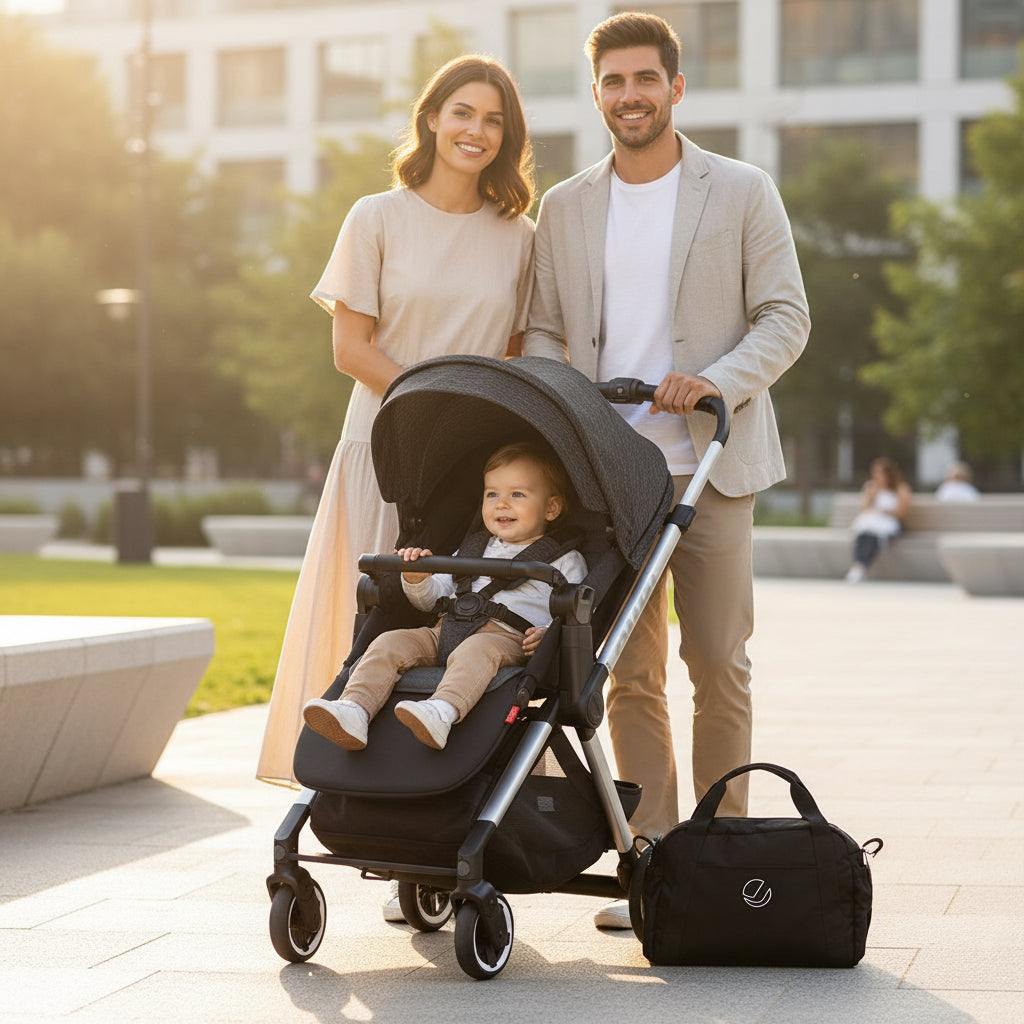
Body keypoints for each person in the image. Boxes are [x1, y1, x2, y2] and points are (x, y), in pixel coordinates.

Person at [523, 12, 810, 928]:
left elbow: (785, 317)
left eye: (645, 80)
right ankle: (649, 862)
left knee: (718, 663)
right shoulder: (563, 207)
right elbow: (537, 330)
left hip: (712, 468)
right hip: (615, 480)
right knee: (630, 674)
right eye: (613, 82)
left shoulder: (742, 190)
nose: (629, 96)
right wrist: (562, 406)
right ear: (597, 91)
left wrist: (714, 383)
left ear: (676, 88)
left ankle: (722, 860)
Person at [257, 55, 536, 917]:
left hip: (479, 469)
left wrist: (479, 430)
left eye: (492, 119)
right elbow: (352, 348)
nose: (475, 131)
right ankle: (369, 814)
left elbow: (524, 351)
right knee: (381, 623)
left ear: (506, 137)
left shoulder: (520, 236)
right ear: (431, 119)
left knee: (466, 634)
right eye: (461, 112)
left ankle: (440, 825)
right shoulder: (376, 216)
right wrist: (430, 405)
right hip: (387, 445)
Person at [302, 442, 586, 751]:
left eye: (517, 494)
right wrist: (416, 578)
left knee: (475, 651)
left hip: (507, 639)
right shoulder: (471, 550)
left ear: (551, 508)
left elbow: (574, 612)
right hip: (444, 631)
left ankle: (442, 711)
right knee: (389, 642)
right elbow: (430, 600)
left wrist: (549, 636)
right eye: (492, 494)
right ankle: (354, 709)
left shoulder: (564, 560)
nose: (501, 503)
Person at [845, 457, 912, 583]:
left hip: (888, 523)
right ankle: (859, 565)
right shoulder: (872, 487)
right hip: (871, 521)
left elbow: (901, 512)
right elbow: (865, 507)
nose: (878, 476)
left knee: (873, 537)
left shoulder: (900, 488)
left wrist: (883, 511)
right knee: (863, 535)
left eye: (881, 473)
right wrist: (872, 493)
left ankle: (860, 566)